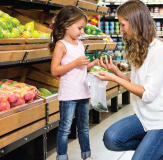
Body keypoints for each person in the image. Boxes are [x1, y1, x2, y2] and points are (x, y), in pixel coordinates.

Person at [94, 0, 163, 160]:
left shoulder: (159, 51)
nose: (121, 29)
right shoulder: (140, 47)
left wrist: (114, 78)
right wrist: (115, 71)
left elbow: (148, 94)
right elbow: (136, 85)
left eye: (123, 24)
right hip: (144, 117)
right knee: (111, 139)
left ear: (135, 22)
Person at [49, 5, 98, 160]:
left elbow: (81, 69)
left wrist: (94, 64)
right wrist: (76, 63)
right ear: (67, 25)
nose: (82, 32)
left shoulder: (80, 44)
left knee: (84, 127)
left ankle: (86, 155)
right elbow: (55, 70)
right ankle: (62, 156)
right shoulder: (61, 45)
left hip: (83, 92)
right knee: (64, 129)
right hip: (69, 95)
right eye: (80, 28)